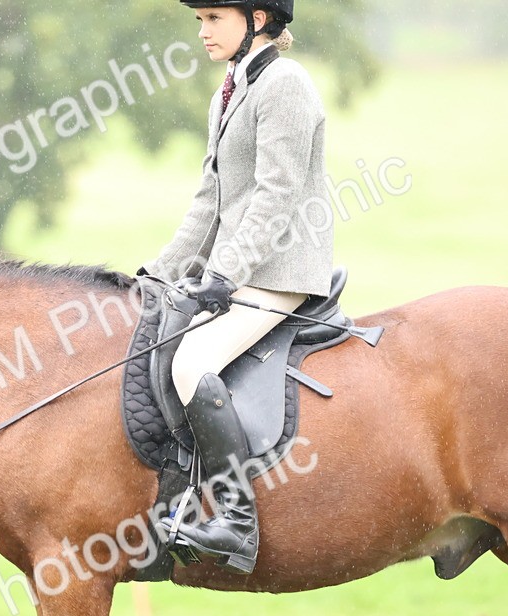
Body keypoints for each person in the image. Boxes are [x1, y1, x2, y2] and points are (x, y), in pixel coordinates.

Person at [139, 0, 333, 575]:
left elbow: (277, 193)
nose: (202, 32)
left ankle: (236, 522)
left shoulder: (286, 84)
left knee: (191, 362)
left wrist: (227, 273)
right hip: (240, 268)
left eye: (213, 19)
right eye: (199, 20)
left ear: (258, 20)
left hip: (279, 272)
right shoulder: (230, 87)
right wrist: (158, 273)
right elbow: (210, 200)